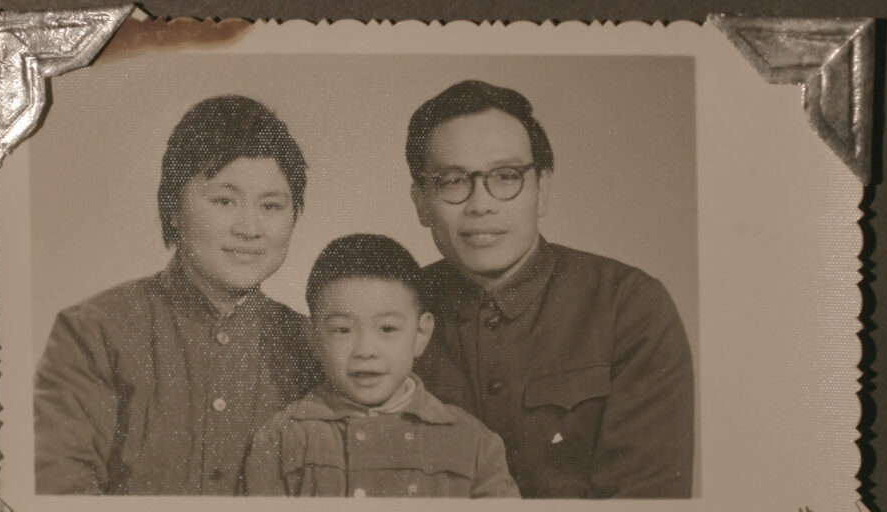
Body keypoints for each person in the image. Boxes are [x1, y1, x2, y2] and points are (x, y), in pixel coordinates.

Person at [407, 80, 695, 498]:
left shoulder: (630, 306)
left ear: (542, 189)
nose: (480, 204)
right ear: (420, 202)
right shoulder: (389, 311)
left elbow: (648, 498)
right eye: (452, 181)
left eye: (506, 177)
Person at [34, 96, 321, 495]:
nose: (250, 228)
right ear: (172, 206)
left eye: (271, 206)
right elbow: (58, 488)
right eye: (224, 200)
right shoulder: (93, 332)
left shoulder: (315, 345)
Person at [245, 234, 520, 498]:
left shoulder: (473, 443)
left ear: (421, 334)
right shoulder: (281, 440)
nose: (365, 351)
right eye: (342, 330)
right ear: (313, 338)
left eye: (387, 328)